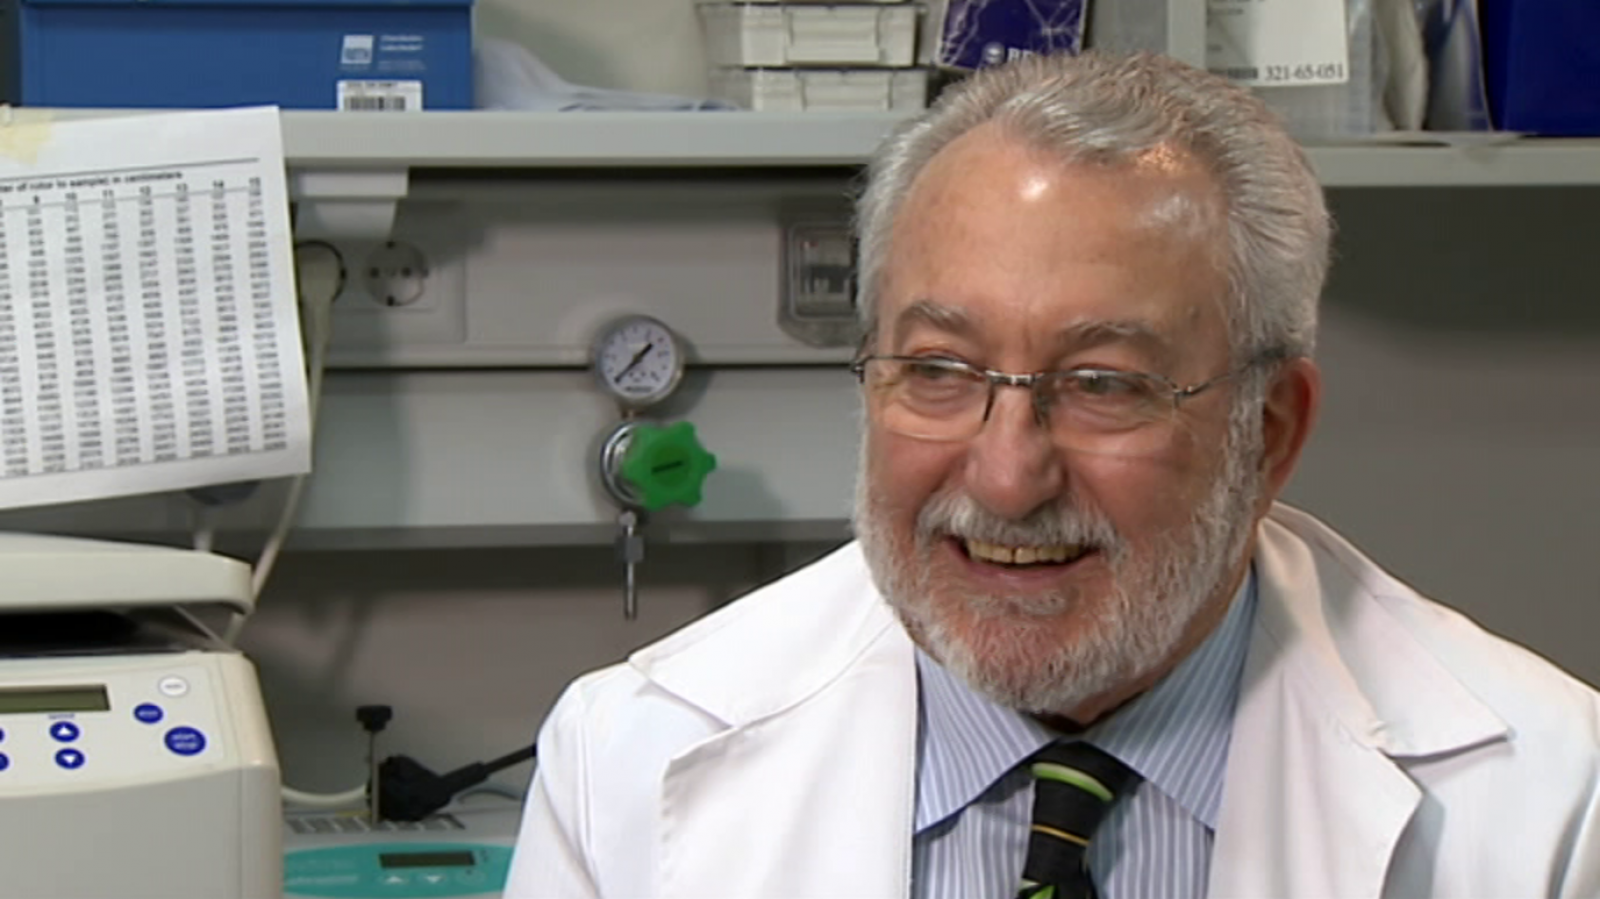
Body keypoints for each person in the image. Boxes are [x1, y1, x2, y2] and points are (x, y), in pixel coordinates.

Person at [505, 50, 1600, 898]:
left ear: (1267, 431)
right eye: (938, 370)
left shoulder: (1552, 805)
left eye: (1102, 383)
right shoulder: (629, 760)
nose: (1006, 476)